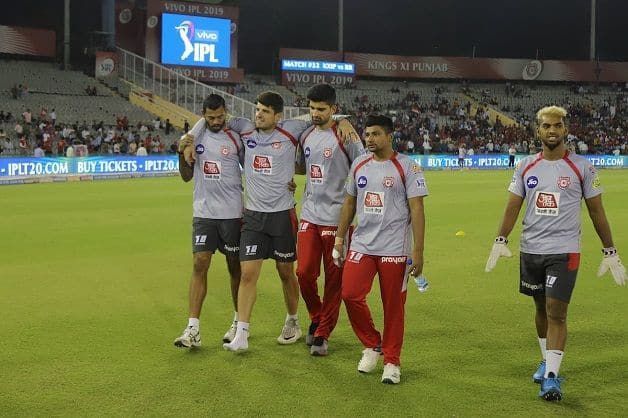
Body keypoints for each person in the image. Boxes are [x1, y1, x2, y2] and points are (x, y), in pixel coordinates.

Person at [485, 105, 626, 401]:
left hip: (565, 251)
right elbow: (513, 206)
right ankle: (545, 360)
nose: (552, 131)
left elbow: (596, 211)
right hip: (531, 249)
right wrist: (501, 239)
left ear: (565, 129)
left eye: (557, 126)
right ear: (538, 130)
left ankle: (551, 377)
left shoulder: (582, 167)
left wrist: (610, 250)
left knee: (556, 312)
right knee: (539, 309)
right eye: (546, 126)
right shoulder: (525, 166)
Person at [333, 114, 428, 384]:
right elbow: (349, 204)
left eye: (375, 134)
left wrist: (418, 252)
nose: (369, 139)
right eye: (367, 134)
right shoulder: (360, 164)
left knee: (394, 307)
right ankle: (373, 343)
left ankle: (392, 361)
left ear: (389, 136)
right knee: (350, 294)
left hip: (395, 250)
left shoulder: (407, 167)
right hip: (362, 244)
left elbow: (417, 210)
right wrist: (339, 240)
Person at [295, 83, 364, 356]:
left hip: (337, 219)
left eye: (321, 109)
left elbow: (363, 169)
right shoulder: (306, 135)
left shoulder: (347, 136)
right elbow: (302, 166)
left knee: (334, 281)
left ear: (334, 109)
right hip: (309, 215)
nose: (315, 113)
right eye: (311, 108)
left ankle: (322, 333)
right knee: (304, 273)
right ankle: (316, 315)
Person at [173, 94, 245, 349]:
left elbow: (253, 169)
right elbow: (185, 176)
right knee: (199, 262)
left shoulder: (236, 137)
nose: (216, 121)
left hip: (233, 213)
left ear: (226, 112)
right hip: (204, 213)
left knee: (235, 268)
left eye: (220, 116)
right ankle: (192, 328)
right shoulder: (195, 137)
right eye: (211, 117)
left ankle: (238, 321)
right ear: (203, 114)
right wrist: (183, 152)